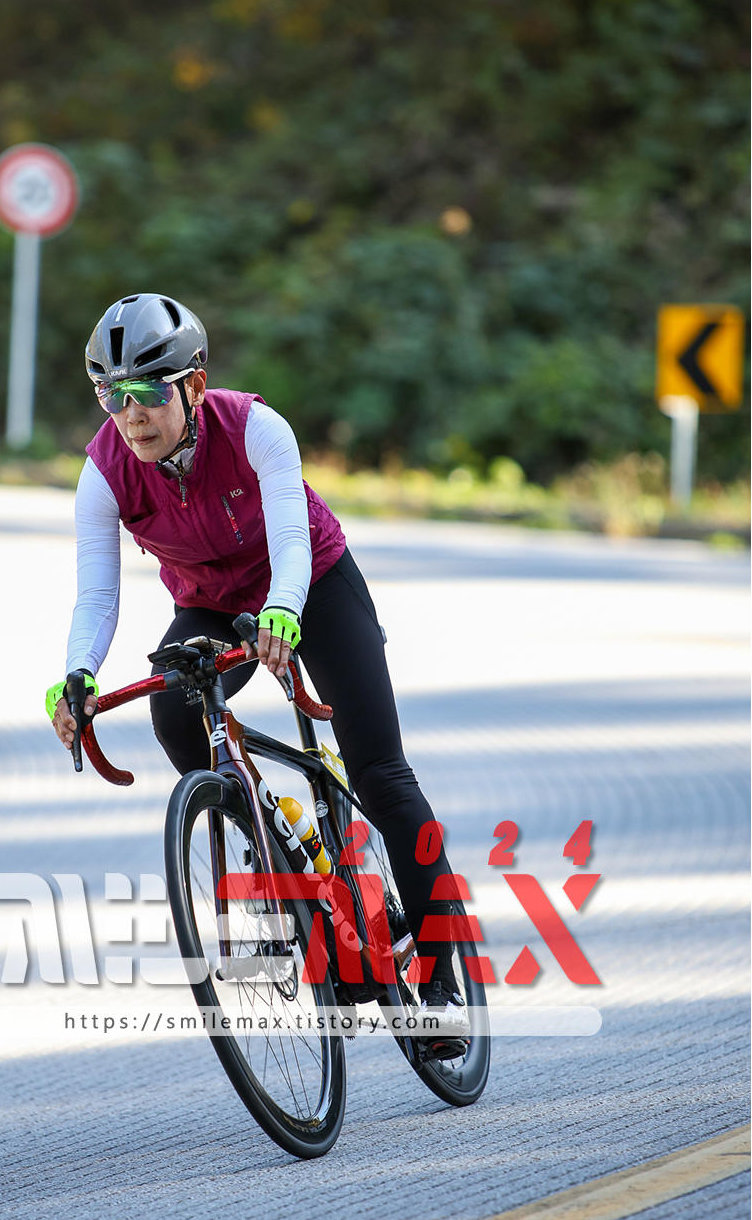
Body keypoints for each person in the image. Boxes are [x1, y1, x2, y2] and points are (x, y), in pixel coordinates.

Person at [46, 293, 466, 1029]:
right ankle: (274, 853)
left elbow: (293, 541)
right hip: (212, 606)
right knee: (175, 713)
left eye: (148, 393)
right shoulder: (104, 470)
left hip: (312, 587)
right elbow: (97, 592)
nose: (131, 415)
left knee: (382, 774)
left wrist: (284, 610)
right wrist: (78, 673)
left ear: (194, 386)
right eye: (113, 397)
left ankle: (441, 982)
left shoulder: (255, 428)